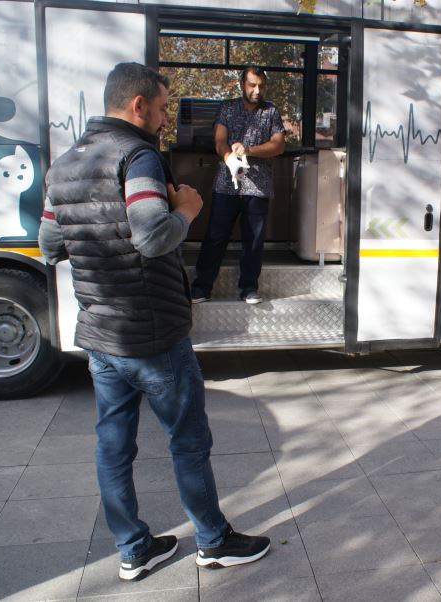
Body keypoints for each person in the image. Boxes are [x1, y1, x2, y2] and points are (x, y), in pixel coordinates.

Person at [38, 62, 270, 581]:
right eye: (164, 107)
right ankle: (213, 542)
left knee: (113, 445)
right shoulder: (137, 155)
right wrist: (186, 208)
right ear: (138, 105)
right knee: (188, 440)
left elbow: (50, 246)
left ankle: (133, 548)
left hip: (100, 335)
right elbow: (151, 236)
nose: (166, 118)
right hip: (153, 335)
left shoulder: (64, 165)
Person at [191, 66, 285, 305]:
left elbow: (278, 145)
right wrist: (229, 159)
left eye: (261, 86)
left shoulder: (271, 111)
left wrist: (249, 150)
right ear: (242, 83)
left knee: (253, 239)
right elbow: (219, 140)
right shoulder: (227, 107)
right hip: (226, 184)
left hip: (258, 186)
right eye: (252, 85)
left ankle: (249, 288)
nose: (257, 90)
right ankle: (201, 287)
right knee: (215, 236)